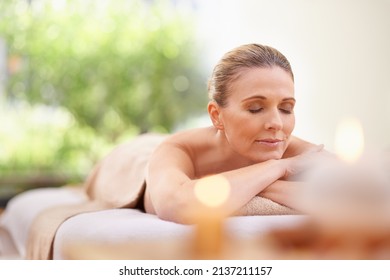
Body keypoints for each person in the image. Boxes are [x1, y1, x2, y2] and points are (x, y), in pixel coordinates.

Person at [143, 43, 326, 223]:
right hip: (140, 155)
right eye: (255, 108)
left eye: (286, 108)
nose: (276, 124)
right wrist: (280, 167)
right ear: (216, 116)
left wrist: (262, 184)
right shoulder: (180, 149)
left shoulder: (298, 152)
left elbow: (347, 195)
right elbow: (175, 205)